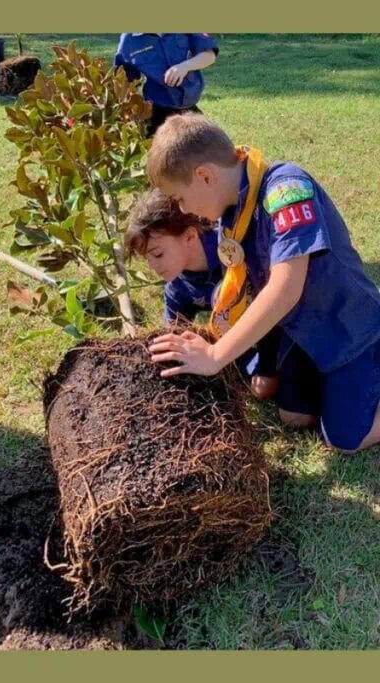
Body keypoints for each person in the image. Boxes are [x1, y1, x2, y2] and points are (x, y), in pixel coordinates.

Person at [145, 114, 380, 452]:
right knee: (294, 416)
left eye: (180, 198)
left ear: (205, 176)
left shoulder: (286, 188)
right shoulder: (231, 215)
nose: (185, 209)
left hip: (351, 330)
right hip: (306, 335)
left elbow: (285, 289)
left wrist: (215, 355)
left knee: (343, 439)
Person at [124, 188, 278, 400]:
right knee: (256, 389)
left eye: (158, 254)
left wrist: (267, 367)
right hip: (238, 343)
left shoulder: (234, 250)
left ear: (189, 236)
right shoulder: (178, 288)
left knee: (269, 390)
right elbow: (171, 338)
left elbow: (273, 302)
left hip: (279, 324)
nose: (152, 266)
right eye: (146, 258)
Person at [114, 34, 219, 136]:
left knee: (207, 146)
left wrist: (185, 66)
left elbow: (209, 55)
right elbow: (123, 81)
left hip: (189, 108)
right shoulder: (129, 39)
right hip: (156, 111)